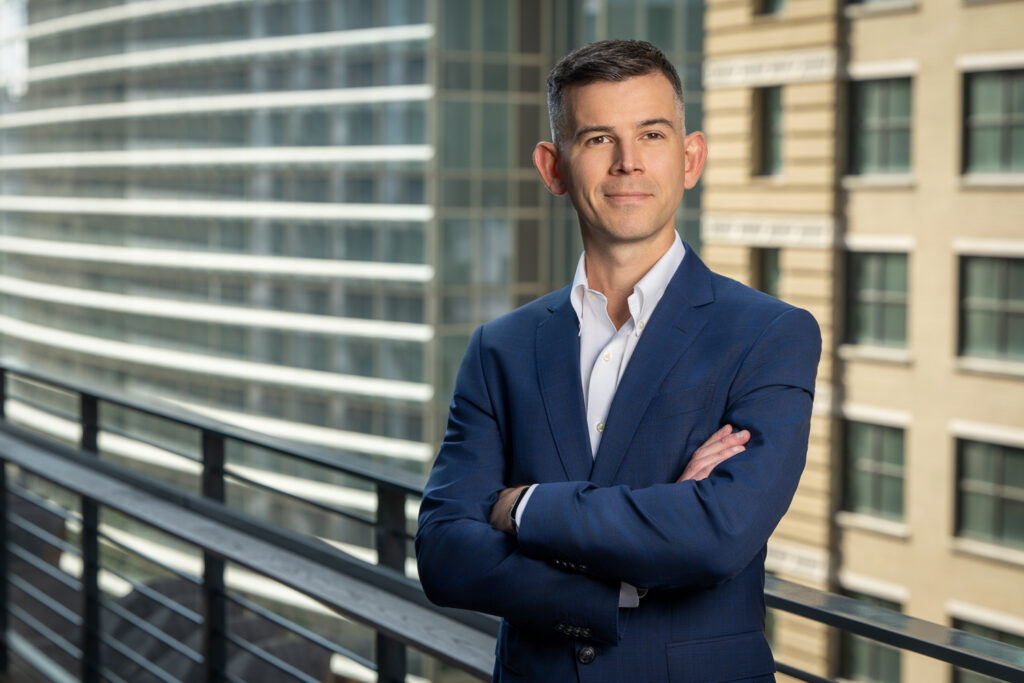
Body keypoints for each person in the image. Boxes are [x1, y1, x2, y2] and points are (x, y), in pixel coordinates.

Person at [416, 39, 821, 682]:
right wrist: (627, 572)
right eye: (599, 139)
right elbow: (444, 555)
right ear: (554, 168)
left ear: (691, 159)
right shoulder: (501, 347)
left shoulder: (770, 335)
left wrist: (524, 510)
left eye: (652, 134)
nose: (629, 163)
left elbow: (717, 535)